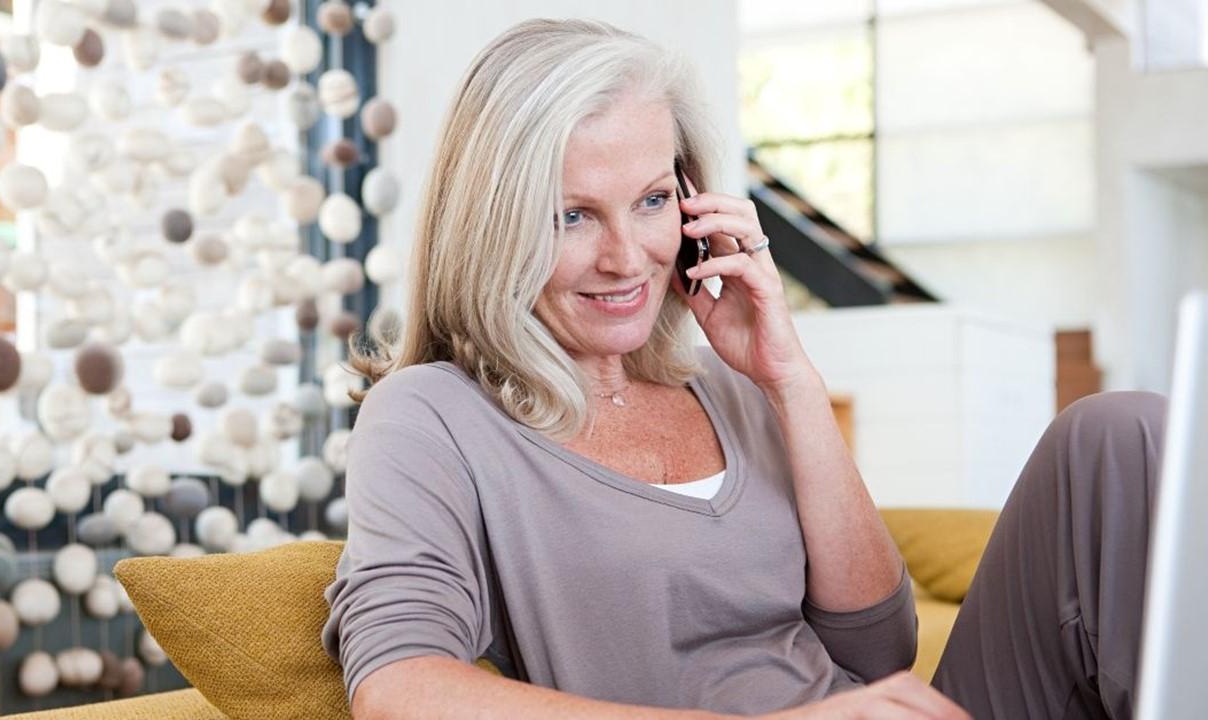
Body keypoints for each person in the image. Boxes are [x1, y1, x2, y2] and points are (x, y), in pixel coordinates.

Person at [321, 18, 1166, 720]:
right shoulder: (430, 415)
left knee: (1118, 436)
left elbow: (878, 650)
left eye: (653, 201)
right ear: (493, 224)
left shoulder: (726, 385)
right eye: (571, 215)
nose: (627, 257)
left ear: (694, 206)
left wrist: (786, 375)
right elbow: (400, 690)